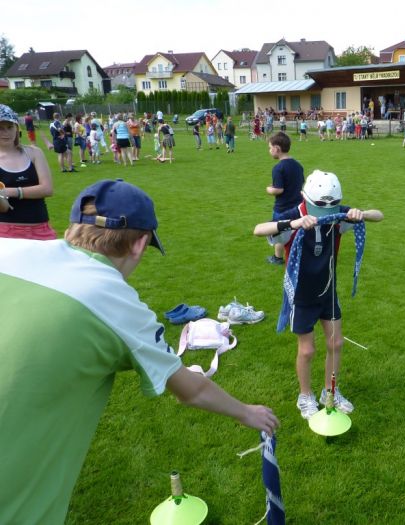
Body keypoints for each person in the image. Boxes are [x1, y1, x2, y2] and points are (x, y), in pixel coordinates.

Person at [0, 179, 279, 524]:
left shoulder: (8, 250)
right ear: (140, 244)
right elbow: (191, 389)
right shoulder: (112, 300)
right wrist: (247, 413)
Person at [253, 170, 384, 420]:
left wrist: (360, 214)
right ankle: (305, 396)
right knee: (307, 351)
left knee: (336, 343)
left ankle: (329, 392)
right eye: (319, 207)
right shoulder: (295, 215)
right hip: (301, 295)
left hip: (327, 290)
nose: (325, 213)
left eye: (331, 207)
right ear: (306, 198)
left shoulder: (337, 215)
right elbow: (258, 229)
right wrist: (292, 224)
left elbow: (380, 215)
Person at [0, 104, 56, 240]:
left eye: (9, 127)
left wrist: (10, 192)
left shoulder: (34, 152)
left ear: (16, 128)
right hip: (6, 233)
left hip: (41, 229)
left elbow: (47, 189)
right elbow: (3, 208)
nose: (5, 132)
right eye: (0, 128)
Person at [265, 132, 304, 265]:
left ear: (277, 148)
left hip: (282, 207)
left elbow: (279, 189)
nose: (269, 151)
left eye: (270, 148)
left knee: (280, 232)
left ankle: (277, 258)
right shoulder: (298, 165)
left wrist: (269, 189)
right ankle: (297, 256)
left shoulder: (278, 168)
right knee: (296, 232)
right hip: (298, 207)